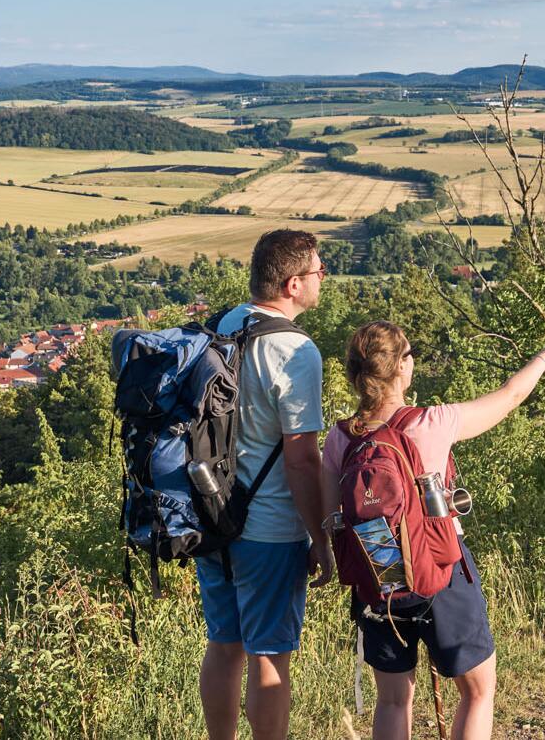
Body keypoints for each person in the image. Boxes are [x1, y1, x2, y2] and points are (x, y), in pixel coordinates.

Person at [322, 320, 545, 740]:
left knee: (391, 700)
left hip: (377, 577)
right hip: (441, 572)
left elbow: (332, 513)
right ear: (403, 368)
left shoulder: (341, 438)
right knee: (478, 690)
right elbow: (511, 395)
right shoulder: (431, 423)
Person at [198, 229, 337, 740]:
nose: (325, 278)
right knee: (270, 656)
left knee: (224, 646)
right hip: (270, 527)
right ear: (293, 283)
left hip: (211, 516)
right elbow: (301, 460)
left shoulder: (224, 324)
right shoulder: (296, 351)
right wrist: (320, 538)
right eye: (320, 271)